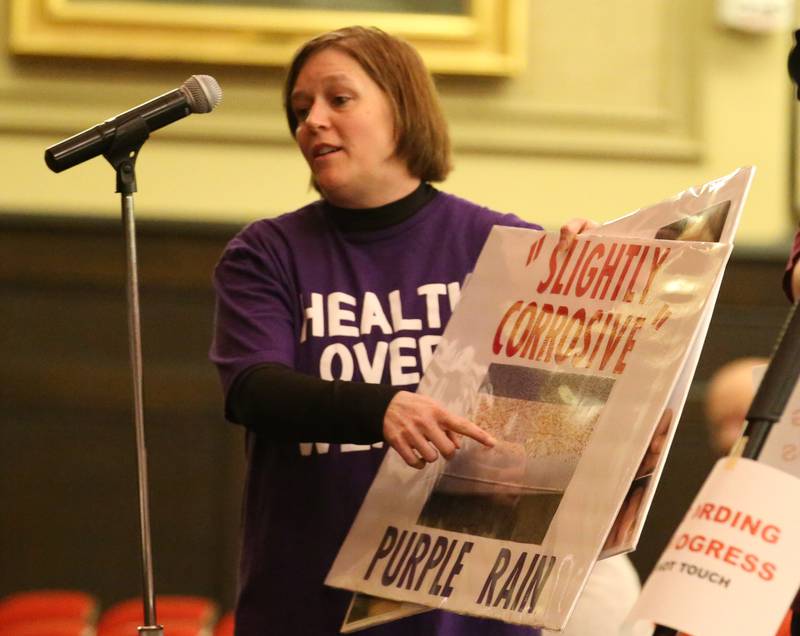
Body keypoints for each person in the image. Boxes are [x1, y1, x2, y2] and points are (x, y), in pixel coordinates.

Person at [210, 26, 593, 635]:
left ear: (403, 107)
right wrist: (382, 408)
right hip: (310, 600)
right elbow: (254, 388)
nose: (312, 121)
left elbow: (571, 407)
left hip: (465, 610)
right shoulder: (267, 252)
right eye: (300, 108)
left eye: (339, 99)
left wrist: (592, 283)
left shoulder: (500, 245)